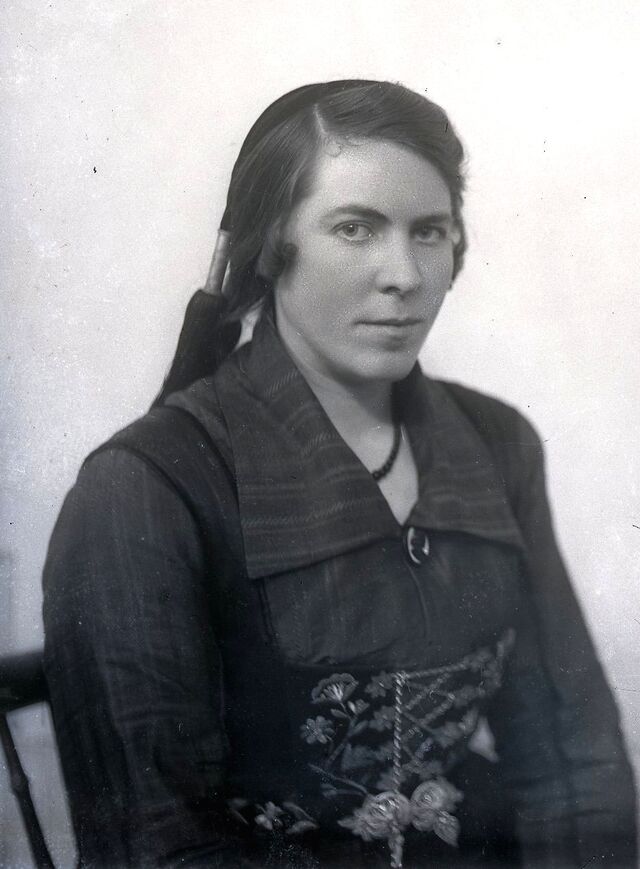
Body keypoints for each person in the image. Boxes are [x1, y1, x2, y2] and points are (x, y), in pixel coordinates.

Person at [42, 80, 636, 868]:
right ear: (270, 247)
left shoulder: (497, 443)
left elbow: (573, 760)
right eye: (356, 228)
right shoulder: (145, 490)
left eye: (430, 232)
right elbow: (158, 845)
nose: (405, 274)